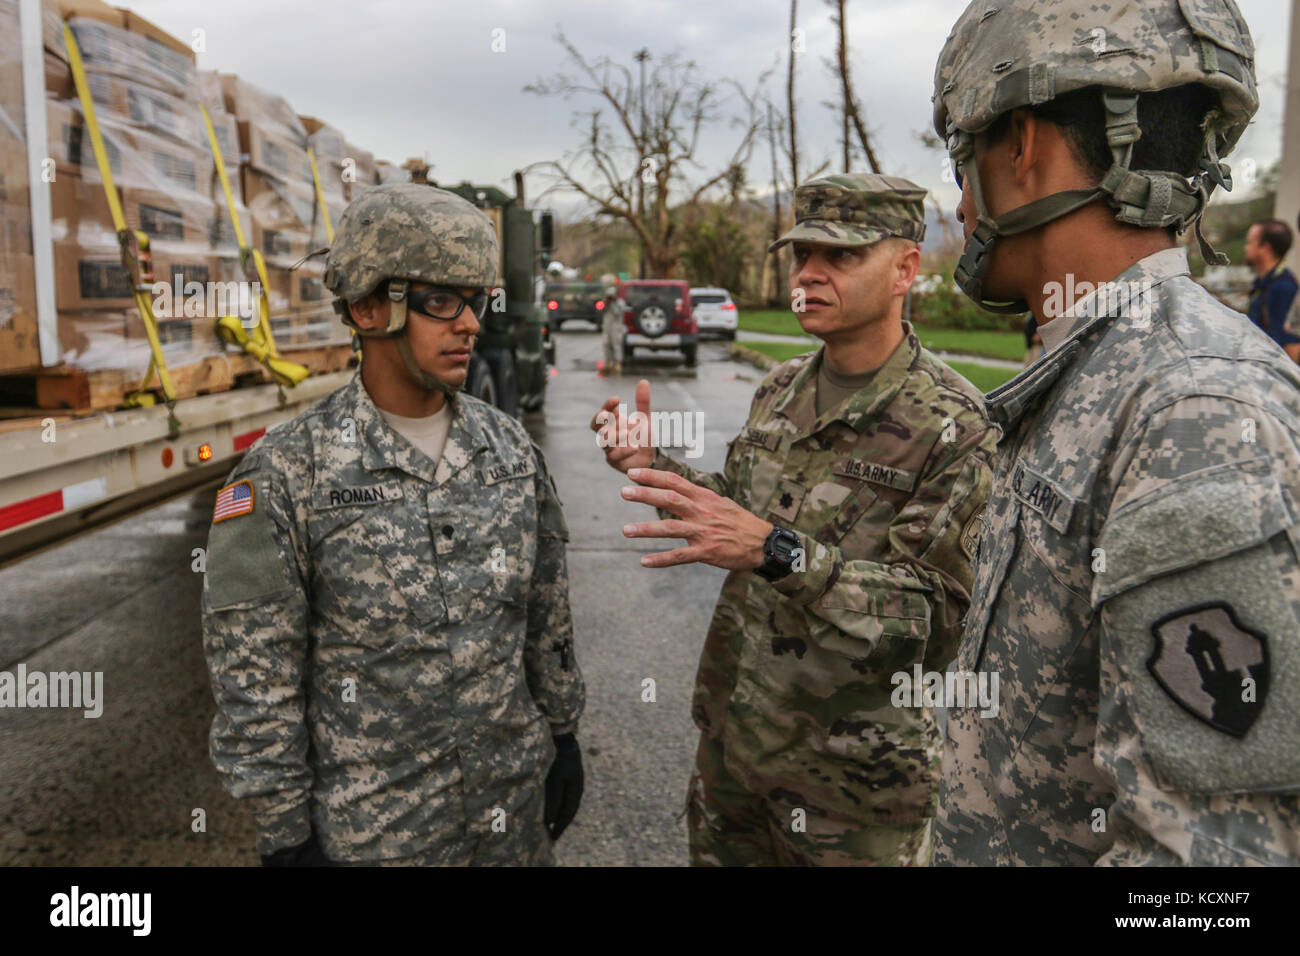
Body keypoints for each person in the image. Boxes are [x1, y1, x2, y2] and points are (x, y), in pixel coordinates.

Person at [931, 0, 1300, 865]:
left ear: (1020, 145)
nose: (957, 200)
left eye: (964, 158)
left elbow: (1214, 882)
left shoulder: (1195, 410)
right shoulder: (1105, 370)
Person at [591, 173, 997, 865]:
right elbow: (740, 517)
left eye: (839, 256)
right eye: (801, 255)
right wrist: (649, 462)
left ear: (905, 268)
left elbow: (938, 622)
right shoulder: (780, 387)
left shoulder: (954, 424)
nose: (808, 273)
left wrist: (782, 553)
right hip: (735, 752)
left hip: (852, 788)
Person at [201, 183, 585, 866]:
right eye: (442, 301)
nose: (469, 323)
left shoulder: (509, 449)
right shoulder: (287, 474)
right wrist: (284, 831)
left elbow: (544, 612)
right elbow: (256, 673)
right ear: (368, 306)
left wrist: (562, 733)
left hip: (511, 822)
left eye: (477, 301)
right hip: (377, 837)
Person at [1244, 219, 1299, 361]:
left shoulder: (1284, 288)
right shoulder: (1262, 284)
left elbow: (1291, 347)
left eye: (1250, 242)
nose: (1246, 248)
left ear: (1266, 248)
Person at [600, 283, 624, 376]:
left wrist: (613, 303)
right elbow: (601, 312)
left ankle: (618, 363)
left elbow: (618, 313)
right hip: (607, 327)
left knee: (616, 345)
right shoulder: (605, 302)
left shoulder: (620, 303)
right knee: (606, 344)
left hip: (616, 327)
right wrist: (606, 303)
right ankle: (608, 362)